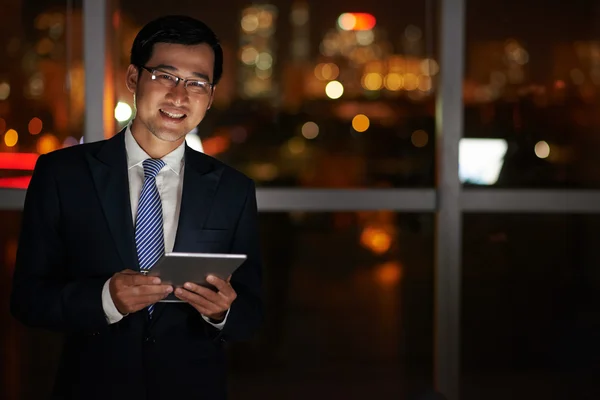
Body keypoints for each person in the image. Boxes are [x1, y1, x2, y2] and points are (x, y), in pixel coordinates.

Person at [10, 15, 263, 400]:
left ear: (210, 97)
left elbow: (252, 313)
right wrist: (105, 299)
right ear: (133, 78)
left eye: (197, 83)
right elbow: (27, 300)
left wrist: (221, 311)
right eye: (165, 76)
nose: (179, 96)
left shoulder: (234, 189)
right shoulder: (63, 174)